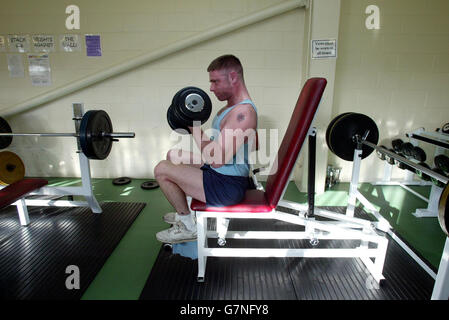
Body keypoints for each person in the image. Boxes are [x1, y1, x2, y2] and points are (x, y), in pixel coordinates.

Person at [154, 54, 258, 244]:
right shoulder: (230, 109)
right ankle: (183, 210)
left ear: (233, 77)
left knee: (162, 169)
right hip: (221, 172)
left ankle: (188, 225)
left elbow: (216, 159)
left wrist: (193, 125)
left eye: (215, 81)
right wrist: (192, 124)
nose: (211, 88)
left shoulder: (243, 113)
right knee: (173, 155)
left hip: (227, 185)